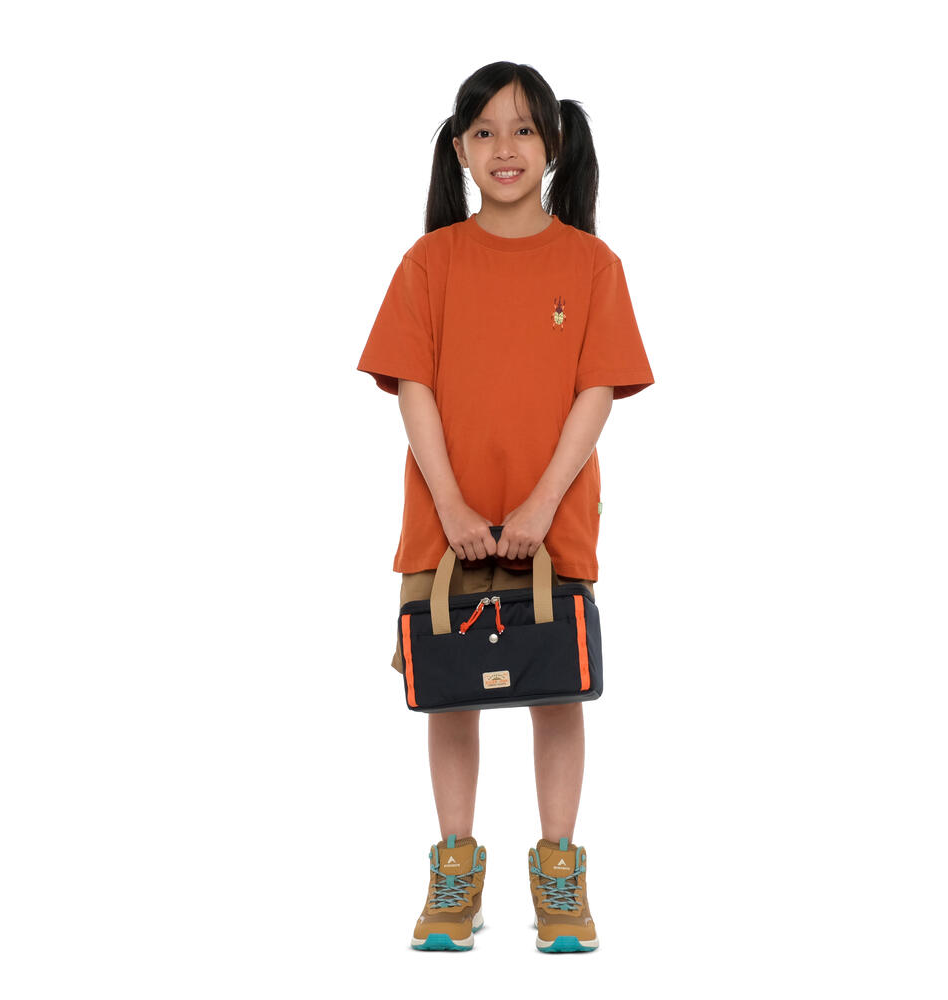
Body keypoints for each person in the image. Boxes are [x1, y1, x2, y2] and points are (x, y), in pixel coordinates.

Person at [356, 61, 654, 953]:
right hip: (442, 530)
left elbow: (597, 392)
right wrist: (451, 505)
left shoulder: (593, 265)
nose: (504, 148)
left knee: (556, 692)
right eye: (483, 131)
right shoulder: (430, 261)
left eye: (523, 128)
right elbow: (411, 385)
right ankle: (455, 874)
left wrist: (539, 505)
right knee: (450, 695)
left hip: (552, 529)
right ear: (459, 150)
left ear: (553, 143)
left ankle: (560, 875)